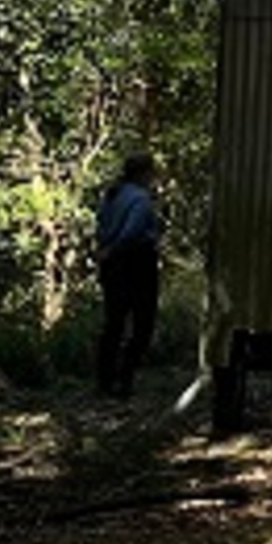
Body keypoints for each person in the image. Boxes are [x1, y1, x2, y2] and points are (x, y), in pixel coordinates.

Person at [94, 153, 163, 400]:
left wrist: (106, 249)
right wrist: (117, 248)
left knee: (114, 321)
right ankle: (124, 380)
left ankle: (105, 380)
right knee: (143, 323)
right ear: (144, 173)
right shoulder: (141, 199)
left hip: (111, 263)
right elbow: (133, 231)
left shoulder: (113, 195)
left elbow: (101, 226)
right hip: (136, 263)